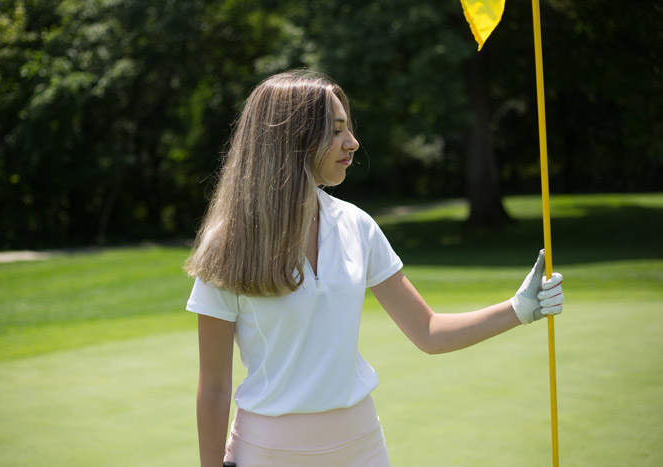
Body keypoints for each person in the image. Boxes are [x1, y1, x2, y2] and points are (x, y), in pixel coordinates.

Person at [184, 70, 564, 467]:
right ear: (291, 139)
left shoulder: (357, 226)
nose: (352, 143)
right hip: (268, 453)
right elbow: (213, 386)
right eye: (335, 131)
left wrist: (519, 309)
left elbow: (428, 331)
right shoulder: (228, 243)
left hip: (361, 449)